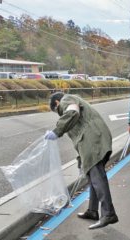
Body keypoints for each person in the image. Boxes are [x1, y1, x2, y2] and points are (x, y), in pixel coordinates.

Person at [45, 92, 118, 229]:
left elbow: (73, 111)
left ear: (56, 103)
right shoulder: (74, 103)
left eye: (57, 111)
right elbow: (78, 137)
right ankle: (92, 211)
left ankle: (108, 214)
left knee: (97, 177)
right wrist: (81, 158)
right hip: (93, 140)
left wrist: (57, 130)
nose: (60, 113)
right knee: (93, 178)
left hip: (93, 140)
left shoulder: (66, 99)